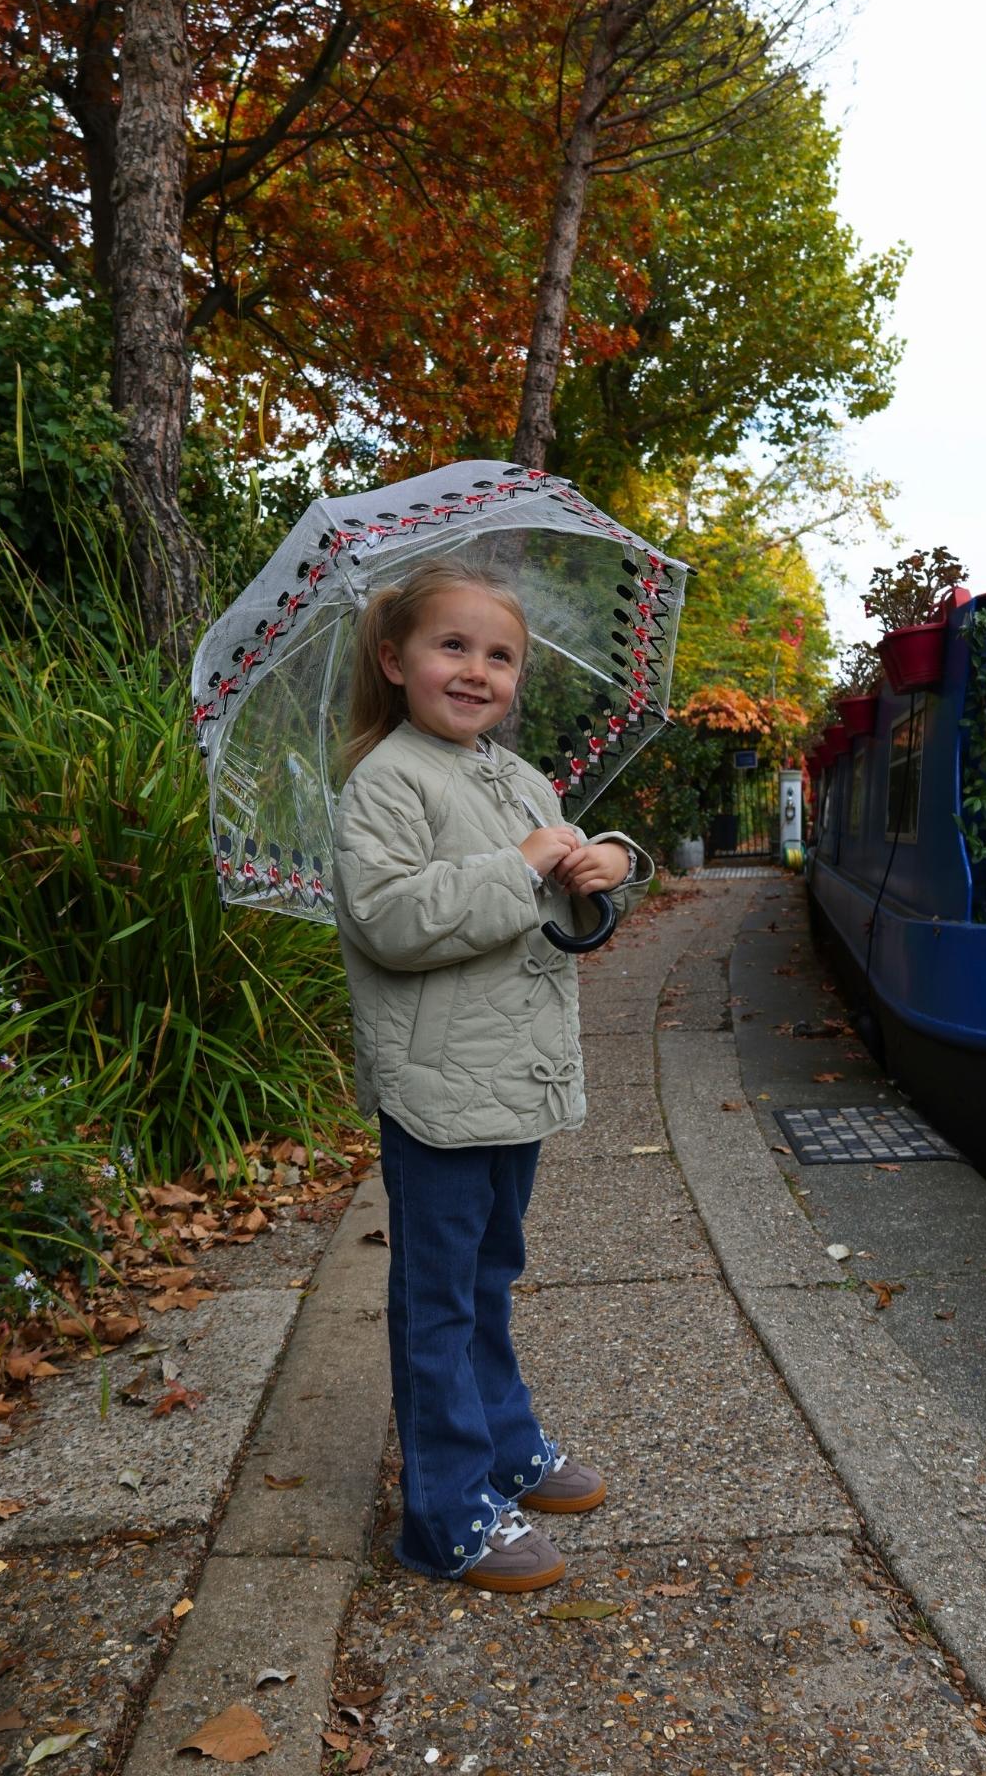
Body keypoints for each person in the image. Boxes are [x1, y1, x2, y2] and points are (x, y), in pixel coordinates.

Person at [332, 558, 653, 1592]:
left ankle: (506, 1446)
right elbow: (389, 919)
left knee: (488, 1277)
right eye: (453, 647)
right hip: (437, 1090)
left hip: (514, 1078)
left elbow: (559, 909)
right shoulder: (385, 779)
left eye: (500, 656)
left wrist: (605, 865)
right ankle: (445, 1512)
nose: (477, 670)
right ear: (396, 661)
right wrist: (518, 865)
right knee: (437, 1299)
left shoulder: (519, 779)